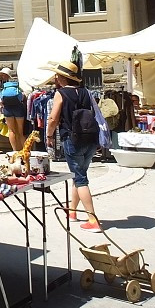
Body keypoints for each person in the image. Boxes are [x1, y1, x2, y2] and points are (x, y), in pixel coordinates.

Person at [45, 61, 102, 233]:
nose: (55, 78)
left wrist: (48, 135)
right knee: (79, 174)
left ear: (62, 78)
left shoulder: (60, 94)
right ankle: (72, 211)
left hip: (72, 139)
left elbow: (53, 118)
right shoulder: (86, 92)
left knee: (80, 179)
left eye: (57, 75)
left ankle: (93, 219)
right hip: (90, 139)